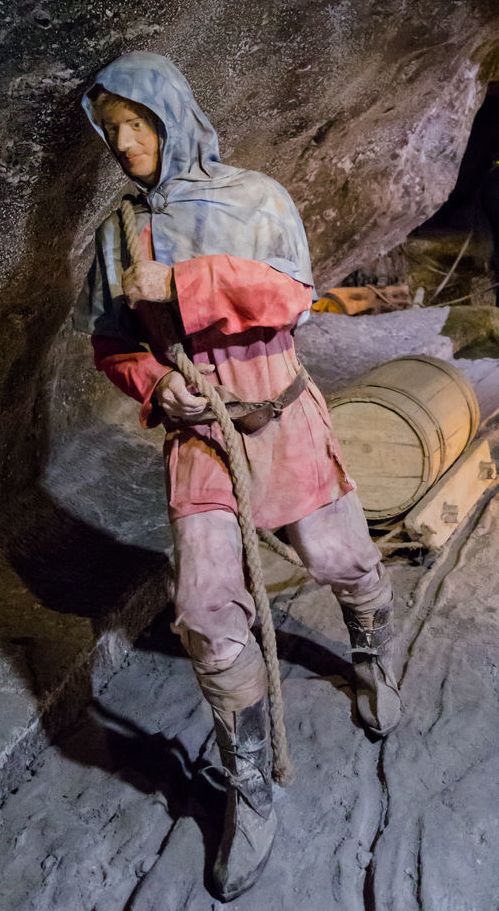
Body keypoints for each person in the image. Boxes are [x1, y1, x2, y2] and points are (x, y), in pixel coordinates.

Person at [74, 50, 401, 901]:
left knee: (339, 561)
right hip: (201, 429)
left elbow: (292, 296)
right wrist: (157, 384)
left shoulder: (256, 198)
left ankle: (368, 648)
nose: (125, 143)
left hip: (279, 408)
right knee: (204, 607)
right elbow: (112, 347)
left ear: (174, 117)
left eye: (138, 124)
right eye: (111, 129)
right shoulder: (119, 233)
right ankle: (248, 780)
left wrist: (184, 282)